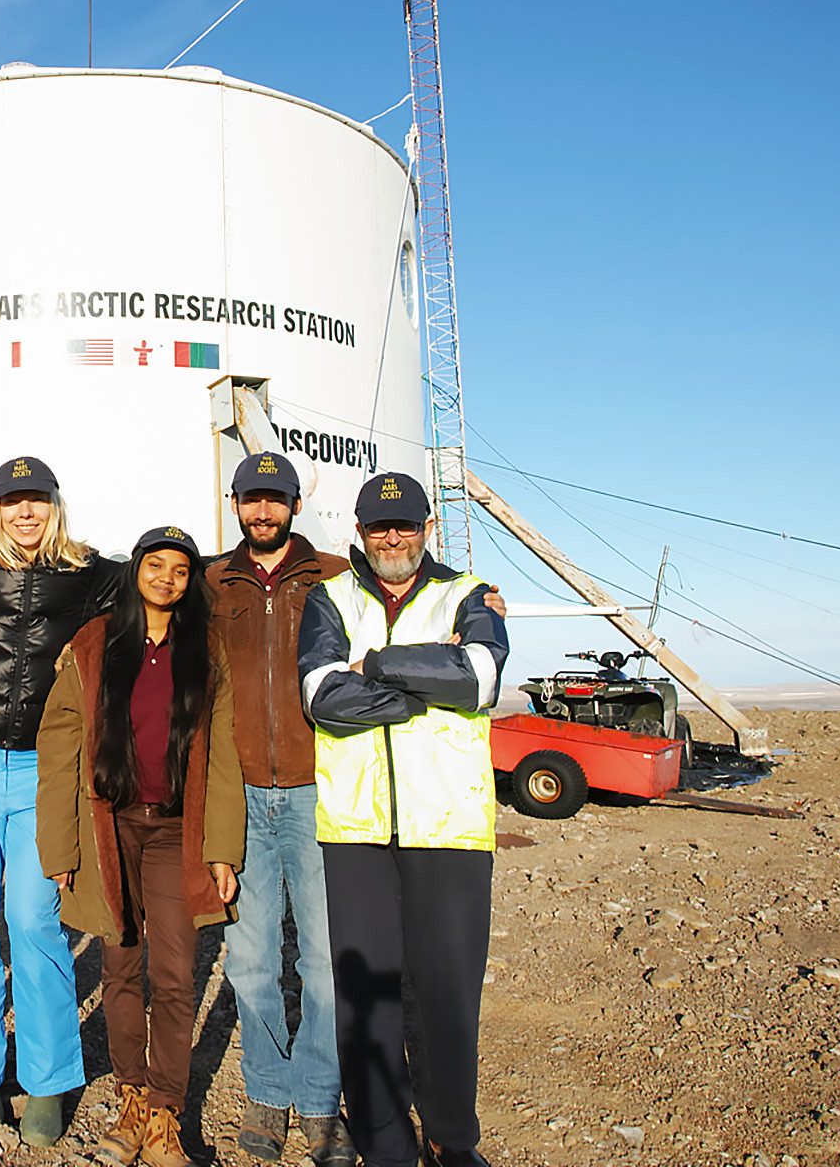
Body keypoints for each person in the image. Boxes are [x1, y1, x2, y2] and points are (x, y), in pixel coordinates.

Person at [297, 473, 509, 1167]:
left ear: (426, 529)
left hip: (448, 827)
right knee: (368, 996)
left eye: (406, 525)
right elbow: (322, 694)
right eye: (379, 526)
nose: (393, 537)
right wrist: (425, 690)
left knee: (448, 992)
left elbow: (480, 678)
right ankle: (385, 1141)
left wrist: (380, 664)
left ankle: (453, 1138)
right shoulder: (328, 599)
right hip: (355, 829)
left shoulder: (469, 594)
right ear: (358, 532)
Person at [0, 457, 123, 1145]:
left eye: (36, 500)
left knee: (38, 923)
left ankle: (47, 1080)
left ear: (55, 504)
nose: (25, 513)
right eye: (13, 502)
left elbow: (178, 583)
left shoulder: (93, 574)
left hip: (48, 769)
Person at [36, 526, 244, 1167]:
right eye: (156, 566)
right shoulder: (95, 642)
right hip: (111, 826)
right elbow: (59, 741)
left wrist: (222, 850)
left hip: (176, 830)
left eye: (180, 571)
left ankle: (164, 1116)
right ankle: (129, 1100)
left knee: (175, 975)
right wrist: (60, 849)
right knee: (120, 969)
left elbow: (224, 748)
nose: (168, 579)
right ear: (136, 572)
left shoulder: (205, 648)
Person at [203, 452, 353, 1167]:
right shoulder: (211, 582)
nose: (263, 512)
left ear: (296, 503)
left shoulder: (335, 575)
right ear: (234, 503)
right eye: (251, 500)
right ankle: (267, 1090)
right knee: (252, 958)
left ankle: (321, 1100)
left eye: (276, 500)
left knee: (324, 961)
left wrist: (478, 601)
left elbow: (408, 598)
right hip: (241, 795)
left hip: (317, 789)